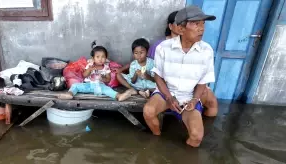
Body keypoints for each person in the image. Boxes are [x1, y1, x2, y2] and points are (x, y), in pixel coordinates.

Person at [143, 6, 219, 147]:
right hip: (166, 92)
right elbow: (158, 76)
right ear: (181, 28)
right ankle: (157, 137)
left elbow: (203, 81)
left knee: (196, 137)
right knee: (148, 111)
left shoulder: (206, 50)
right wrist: (169, 97)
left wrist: (194, 100)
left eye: (203, 24)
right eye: (196, 24)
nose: (201, 28)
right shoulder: (164, 48)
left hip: (190, 95)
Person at [58, 41, 133, 101]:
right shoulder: (90, 65)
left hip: (100, 86)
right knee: (75, 86)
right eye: (98, 57)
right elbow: (84, 75)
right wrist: (90, 69)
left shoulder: (106, 68)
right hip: (88, 85)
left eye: (103, 57)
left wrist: (102, 79)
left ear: (106, 58)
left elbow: (108, 80)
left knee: (108, 90)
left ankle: (119, 96)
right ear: (93, 58)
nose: (100, 59)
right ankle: (69, 94)